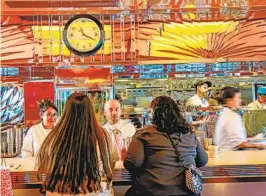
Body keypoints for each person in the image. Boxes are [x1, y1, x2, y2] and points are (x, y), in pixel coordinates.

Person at [37, 93, 119, 196]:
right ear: (90, 112)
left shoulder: (53, 137)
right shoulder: (103, 136)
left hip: (59, 192)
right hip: (93, 191)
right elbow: (112, 163)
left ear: (66, 112)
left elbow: (45, 167)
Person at [124, 96, 208, 196]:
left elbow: (132, 164)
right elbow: (203, 160)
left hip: (152, 192)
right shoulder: (189, 133)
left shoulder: (144, 134)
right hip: (187, 193)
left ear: (153, 113)